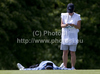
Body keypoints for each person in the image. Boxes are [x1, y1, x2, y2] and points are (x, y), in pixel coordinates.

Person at [60, 3, 81, 70]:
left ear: (73, 10)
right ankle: (65, 67)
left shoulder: (77, 16)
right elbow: (61, 25)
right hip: (65, 36)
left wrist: (73, 25)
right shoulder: (63, 15)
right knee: (65, 51)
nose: (70, 13)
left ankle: (72, 67)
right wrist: (65, 25)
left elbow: (78, 27)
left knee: (72, 52)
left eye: (71, 11)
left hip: (73, 36)